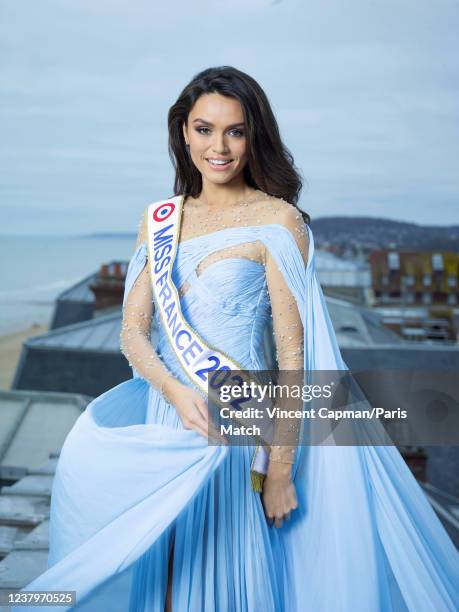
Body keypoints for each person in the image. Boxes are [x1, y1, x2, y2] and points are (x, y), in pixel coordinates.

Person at [15, 66, 459, 612]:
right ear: (183, 132)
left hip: (238, 427)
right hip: (168, 423)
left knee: (223, 581)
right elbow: (132, 333)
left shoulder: (279, 222)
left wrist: (279, 471)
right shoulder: (158, 219)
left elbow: (294, 359)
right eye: (204, 129)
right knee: (166, 582)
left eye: (235, 131)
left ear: (254, 136)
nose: (218, 147)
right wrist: (174, 392)